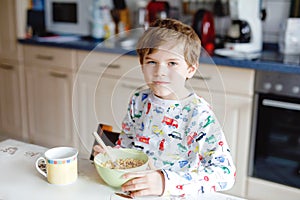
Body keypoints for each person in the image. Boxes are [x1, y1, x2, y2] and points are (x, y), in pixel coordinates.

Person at [93, 18, 236, 198]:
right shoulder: (139, 100)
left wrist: (165, 182)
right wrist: (113, 155)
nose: (160, 71)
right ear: (142, 65)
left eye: (172, 63)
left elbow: (225, 174)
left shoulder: (199, 113)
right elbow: (128, 146)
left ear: (190, 69)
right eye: (152, 62)